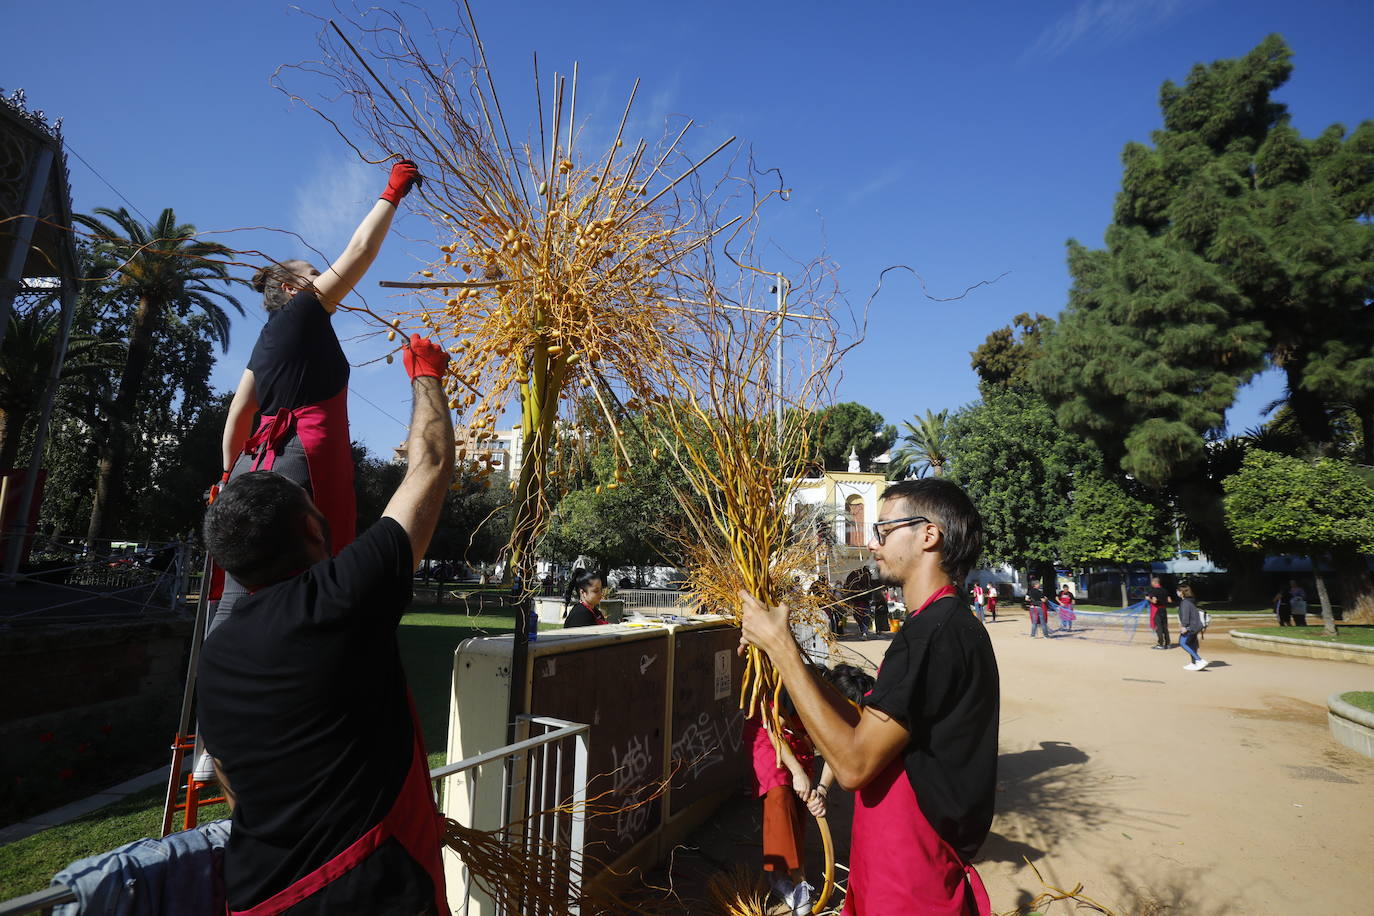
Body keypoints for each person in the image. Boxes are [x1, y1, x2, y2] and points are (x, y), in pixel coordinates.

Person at [197, 334, 454, 915]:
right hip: (371, 888)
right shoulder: (340, 597)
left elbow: (227, 775)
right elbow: (430, 465)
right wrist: (426, 375)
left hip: (259, 895)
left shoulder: (217, 654)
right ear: (314, 532)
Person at [740, 478, 998, 915]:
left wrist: (782, 649)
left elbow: (853, 766)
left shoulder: (936, 635)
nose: (874, 545)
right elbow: (868, 730)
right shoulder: (933, 626)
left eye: (883, 531)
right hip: (887, 864)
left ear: (928, 535)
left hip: (913, 878)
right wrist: (784, 658)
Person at [210, 158, 423, 636]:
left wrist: (228, 477)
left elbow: (239, 413)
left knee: (244, 596)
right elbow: (360, 252)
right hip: (298, 465)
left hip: (251, 470)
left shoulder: (264, 340)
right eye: (313, 273)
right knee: (308, 586)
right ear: (293, 288)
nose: (322, 276)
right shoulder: (302, 313)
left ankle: (220, 689)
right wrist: (392, 194)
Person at [744, 688, 818, 915]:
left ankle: (785, 873)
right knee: (780, 795)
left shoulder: (822, 698)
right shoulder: (781, 691)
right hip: (768, 738)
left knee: (799, 802)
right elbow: (775, 732)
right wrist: (796, 771)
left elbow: (830, 747)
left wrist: (821, 789)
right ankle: (794, 881)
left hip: (799, 741)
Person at [1177, 583, 1209, 671]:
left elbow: (1186, 616)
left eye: (1178, 591)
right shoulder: (1190, 601)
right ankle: (1194, 663)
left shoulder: (1185, 602)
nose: (1177, 592)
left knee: (1182, 643)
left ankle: (1199, 660)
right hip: (1196, 626)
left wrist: (1184, 626)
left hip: (1191, 627)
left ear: (1182, 593)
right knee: (1191, 644)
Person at [1147, 576, 1173, 648]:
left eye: (1152, 582)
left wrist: (1149, 599)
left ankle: (1160, 644)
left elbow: (1154, 601)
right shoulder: (1165, 590)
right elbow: (1169, 600)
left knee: (1159, 627)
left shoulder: (1153, 591)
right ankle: (1168, 643)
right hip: (1164, 610)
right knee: (1165, 627)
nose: (1151, 583)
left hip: (1157, 610)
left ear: (1155, 582)